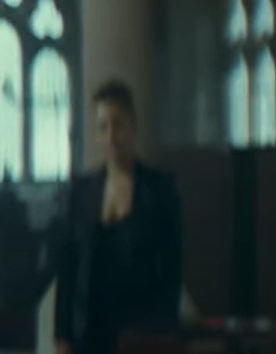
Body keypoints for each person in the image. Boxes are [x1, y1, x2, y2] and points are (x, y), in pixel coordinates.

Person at [54, 80, 182, 354]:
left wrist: (164, 336)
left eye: (119, 125)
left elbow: (172, 270)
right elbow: (67, 268)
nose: (111, 136)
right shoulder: (81, 191)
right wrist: (62, 336)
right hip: (87, 332)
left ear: (133, 127)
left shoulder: (159, 189)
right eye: (103, 127)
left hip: (140, 332)